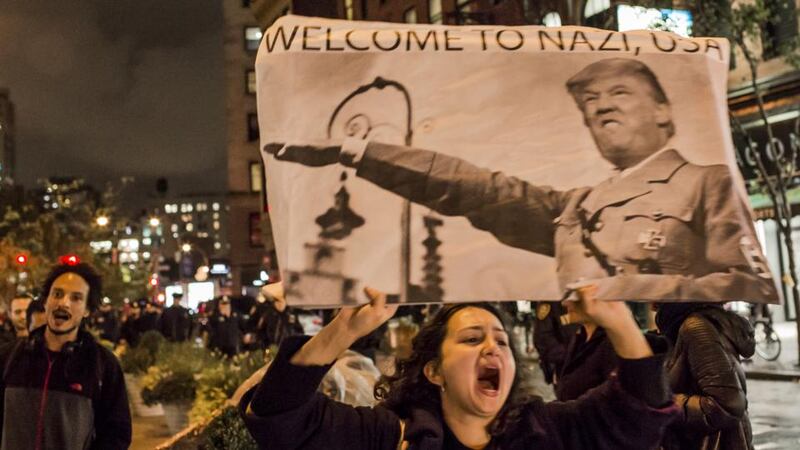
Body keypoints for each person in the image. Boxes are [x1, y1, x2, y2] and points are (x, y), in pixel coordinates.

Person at [265, 58, 777, 304]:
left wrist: (621, 288)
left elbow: (748, 281)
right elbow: (475, 187)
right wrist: (357, 152)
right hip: (586, 384)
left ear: (664, 113)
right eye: (590, 105)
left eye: (618, 93)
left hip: (669, 379)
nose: (601, 106)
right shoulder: (580, 205)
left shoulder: (707, 182)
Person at [240, 285, 677, 449]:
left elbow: (639, 415)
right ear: (434, 371)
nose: (493, 347)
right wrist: (341, 330)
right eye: (472, 339)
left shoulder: (546, 431)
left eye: (501, 341)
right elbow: (282, 420)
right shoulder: (389, 436)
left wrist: (620, 321)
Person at [0, 262, 131, 449]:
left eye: (76, 298)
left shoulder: (103, 366)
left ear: (87, 310)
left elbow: (116, 434)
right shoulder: (9, 357)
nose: (63, 303)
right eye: (57, 294)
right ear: (46, 301)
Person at [656, 303, 755, 450]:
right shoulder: (682, 326)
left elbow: (727, 404)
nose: (651, 305)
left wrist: (665, 403)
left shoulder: (696, 327)